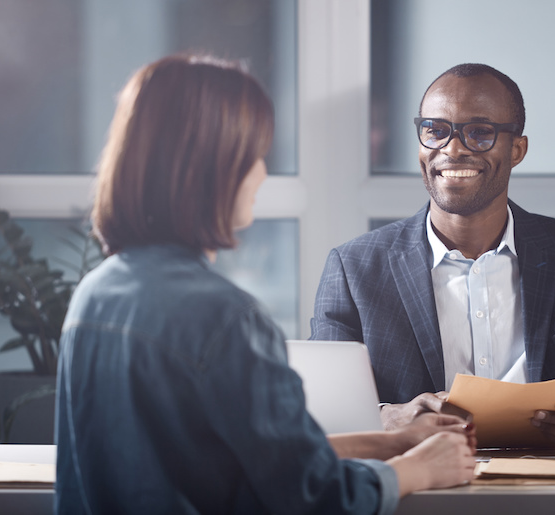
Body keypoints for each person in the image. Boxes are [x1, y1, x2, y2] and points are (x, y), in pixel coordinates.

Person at [54, 54, 476, 515]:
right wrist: (419, 470)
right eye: (253, 157)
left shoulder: (94, 294)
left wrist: (392, 443)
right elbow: (310, 495)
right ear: (210, 170)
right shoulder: (222, 317)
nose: (261, 175)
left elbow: (225, 459)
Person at [311, 63, 555, 453]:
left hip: (553, 490)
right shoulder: (354, 269)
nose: (452, 148)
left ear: (517, 150)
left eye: (479, 132)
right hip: (420, 494)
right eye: (435, 130)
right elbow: (322, 418)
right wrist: (385, 418)